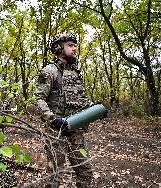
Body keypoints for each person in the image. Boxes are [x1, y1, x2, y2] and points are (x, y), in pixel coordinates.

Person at [34, 31, 93, 187]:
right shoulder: (50, 71)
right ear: (59, 48)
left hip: (76, 132)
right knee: (54, 176)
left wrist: (94, 109)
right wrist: (54, 120)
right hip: (56, 133)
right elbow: (38, 99)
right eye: (70, 45)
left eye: (75, 45)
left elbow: (78, 100)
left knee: (86, 173)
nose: (74, 48)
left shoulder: (75, 72)